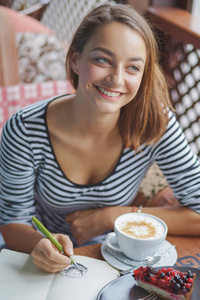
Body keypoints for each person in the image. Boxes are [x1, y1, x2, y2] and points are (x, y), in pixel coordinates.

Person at [0, 3, 200, 273]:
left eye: (132, 68)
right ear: (74, 60)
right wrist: (40, 245)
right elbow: (13, 222)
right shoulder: (24, 129)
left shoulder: (154, 125)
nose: (116, 79)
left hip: (115, 257)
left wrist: (115, 215)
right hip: (35, 256)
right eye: (102, 60)